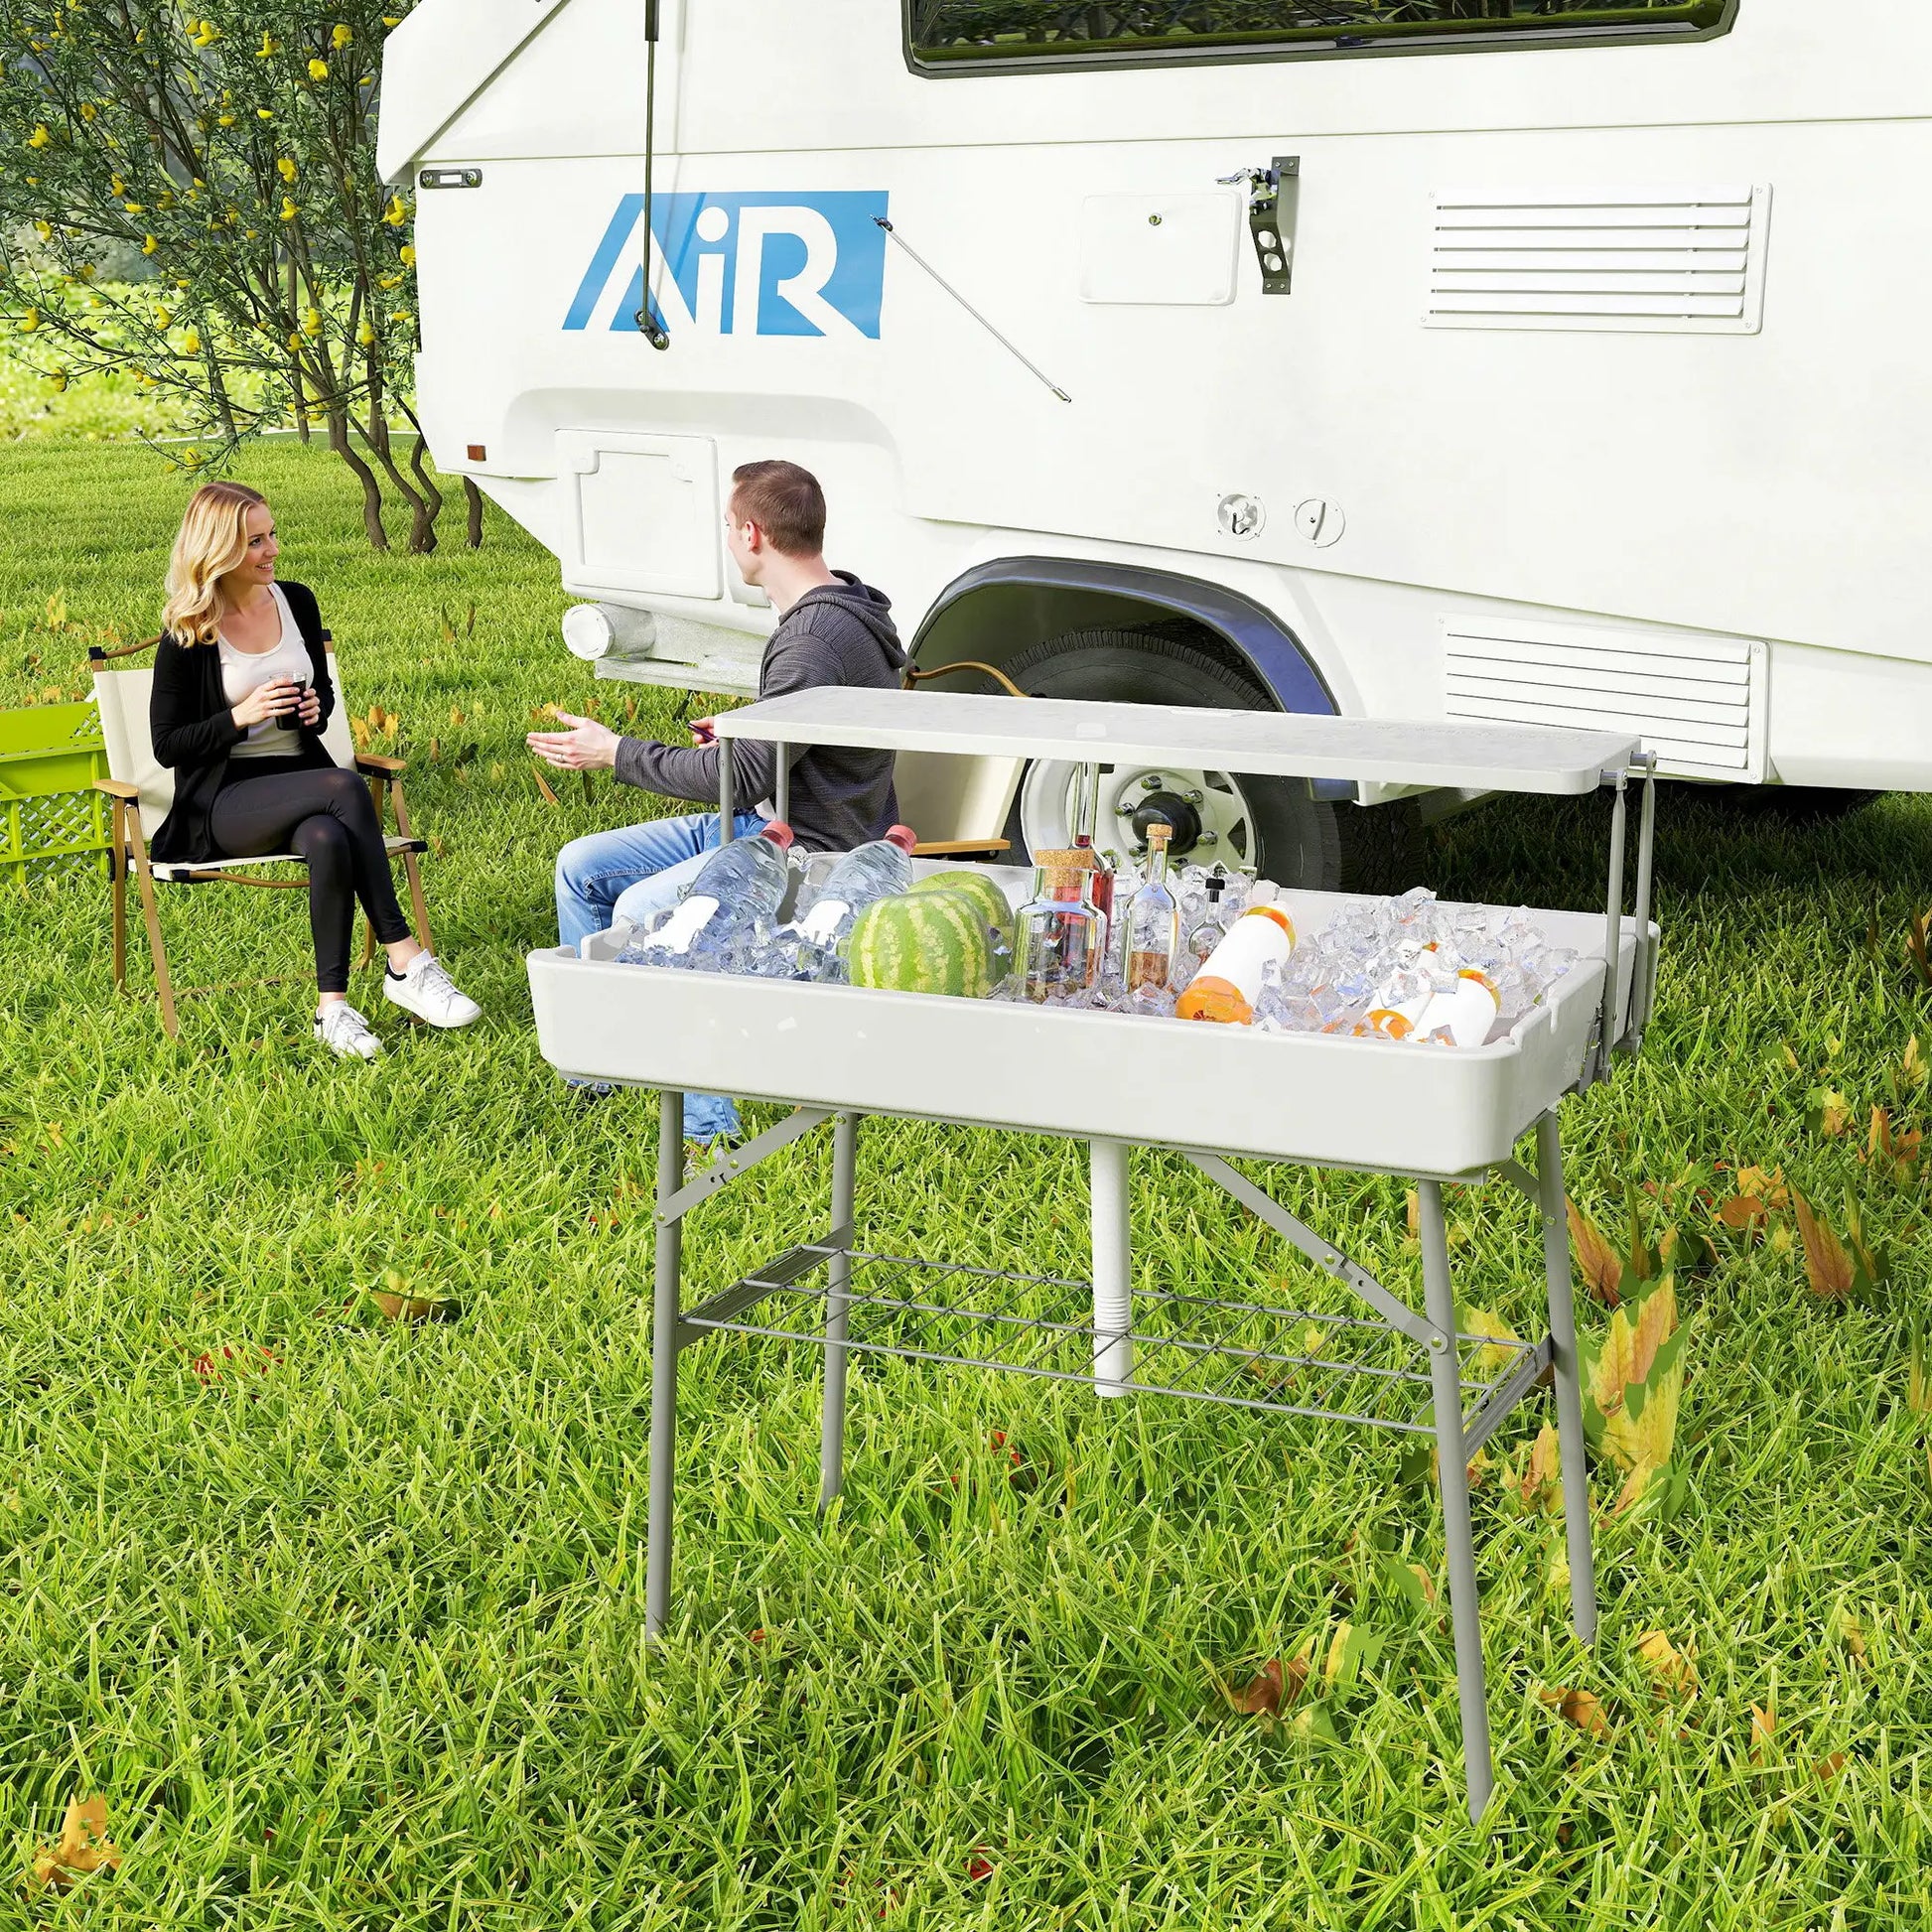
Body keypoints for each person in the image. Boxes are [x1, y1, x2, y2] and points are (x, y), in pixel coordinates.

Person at [529, 459, 907, 1144]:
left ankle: (709, 1130)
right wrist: (741, 732)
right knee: (581, 864)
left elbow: (748, 776)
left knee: (643, 910)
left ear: (752, 533)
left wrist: (614, 752)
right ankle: (598, 1064)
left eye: (728, 527)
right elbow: (795, 738)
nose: (729, 541)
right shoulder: (845, 609)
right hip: (763, 817)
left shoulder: (814, 637)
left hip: (807, 847)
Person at [149, 481, 482, 1059]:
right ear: (218, 550)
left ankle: (332, 1009)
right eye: (255, 541)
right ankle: (405, 959)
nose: (272, 549)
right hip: (224, 801)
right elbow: (168, 745)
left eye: (271, 534)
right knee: (345, 786)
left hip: (304, 781)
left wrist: (311, 708)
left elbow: (321, 695)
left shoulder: (296, 600)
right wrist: (240, 716)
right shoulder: (188, 632)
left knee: (329, 835)